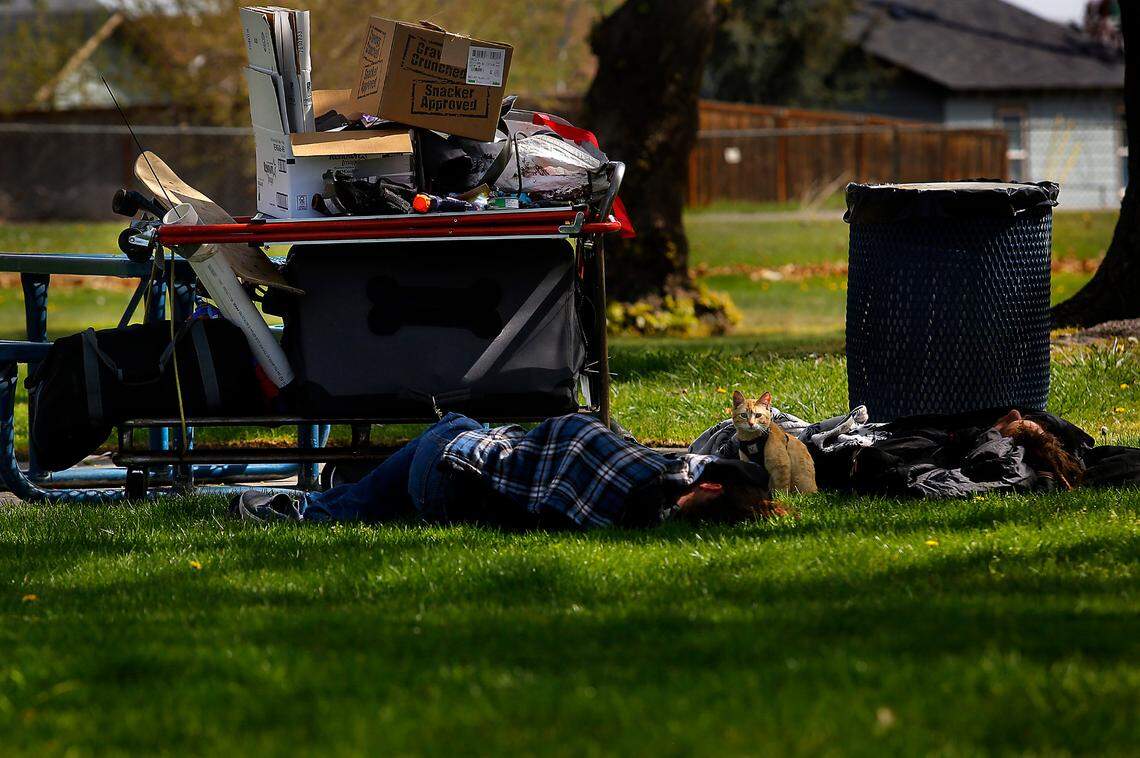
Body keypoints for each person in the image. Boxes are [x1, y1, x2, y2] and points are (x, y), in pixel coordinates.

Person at [231, 413, 779, 528]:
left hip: (449, 475)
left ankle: (317, 506)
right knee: (389, 488)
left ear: (707, 484)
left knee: (451, 426)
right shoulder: (647, 507)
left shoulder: (651, 477)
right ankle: (334, 502)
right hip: (453, 488)